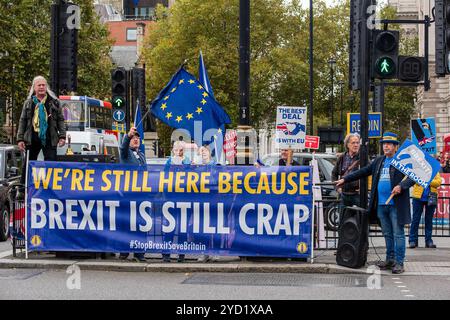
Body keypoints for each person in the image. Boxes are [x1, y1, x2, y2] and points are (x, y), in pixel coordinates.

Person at [336, 132, 415, 274]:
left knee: (398, 234)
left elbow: (413, 177)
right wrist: (345, 179)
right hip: (381, 204)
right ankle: (390, 260)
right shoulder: (379, 161)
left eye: (389, 144)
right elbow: (364, 171)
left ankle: (399, 262)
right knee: (387, 233)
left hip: (395, 205)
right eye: (384, 144)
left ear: (396, 147)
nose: (386, 146)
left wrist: (401, 186)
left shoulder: (402, 160)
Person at [16, 76, 66, 199]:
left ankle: (52, 190)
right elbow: (22, 121)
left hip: (50, 137)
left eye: (44, 85)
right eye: (39, 85)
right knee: (28, 163)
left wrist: (62, 136)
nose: (42, 87)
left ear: (46, 87)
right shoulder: (28, 103)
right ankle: (22, 190)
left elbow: (61, 120)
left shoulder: (54, 102)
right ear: (34, 88)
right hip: (32, 137)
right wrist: (20, 139)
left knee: (51, 163)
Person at [118, 127, 146, 262]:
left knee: (141, 224)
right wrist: (127, 136)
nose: (136, 139)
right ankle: (124, 251)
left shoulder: (142, 155)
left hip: (141, 195)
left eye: (137, 138)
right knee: (126, 224)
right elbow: (122, 147)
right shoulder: (125, 153)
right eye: (133, 138)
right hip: (128, 195)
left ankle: (139, 253)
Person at [162, 141, 190, 263]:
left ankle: (181, 254)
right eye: (176, 149)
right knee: (169, 227)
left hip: (184, 200)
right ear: (173, 150)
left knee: (183, 228)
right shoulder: (169, 162)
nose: (178, 152)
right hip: (171, 200)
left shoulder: (188, 162)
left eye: (181, 150)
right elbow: (164, 179)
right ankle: (166, 253)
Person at [409, 172, 442, 249]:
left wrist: (428, 180)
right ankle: (412, 241)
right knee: (415, 219)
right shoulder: (417, 169)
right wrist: (423, 180)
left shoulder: (434, 170)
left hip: (431, 198)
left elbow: (438, 182)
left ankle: (428, 241)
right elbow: (413, 181)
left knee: (429, 220)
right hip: (418, 198)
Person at [332, 133, 361, 208]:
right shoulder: (342, 157)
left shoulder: (362, 157)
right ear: (347, 145)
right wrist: (337, 188)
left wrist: (364, 188)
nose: (356, 145)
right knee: (343, 218)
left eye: (357, 143)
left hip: (358, 195)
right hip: (344, 194)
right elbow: (334, 174)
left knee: (361, 218)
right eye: (353, 143)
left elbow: (370, 172)